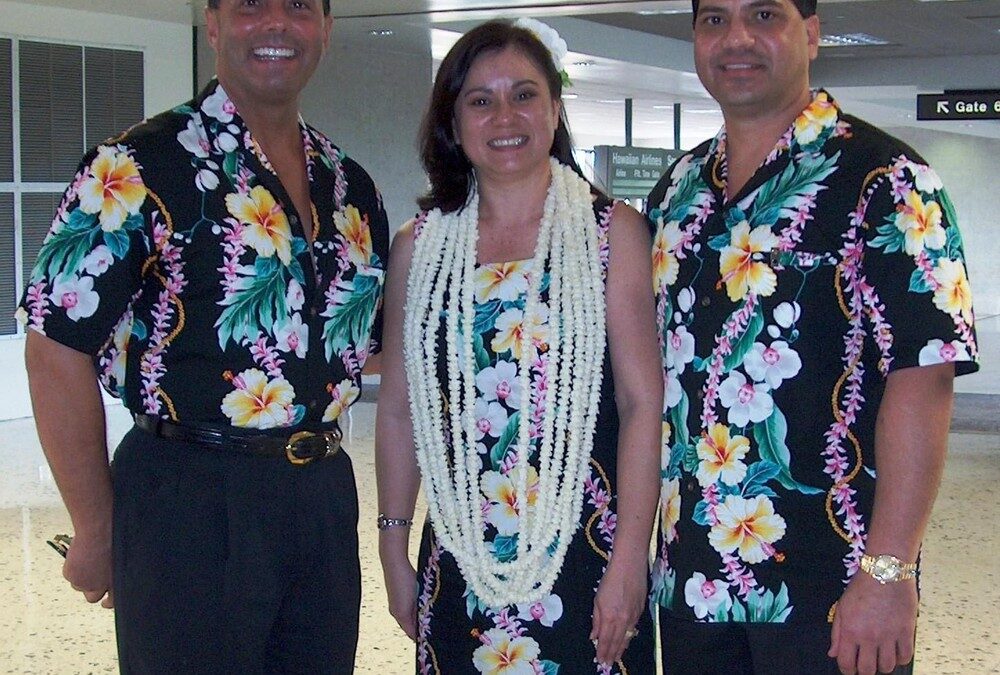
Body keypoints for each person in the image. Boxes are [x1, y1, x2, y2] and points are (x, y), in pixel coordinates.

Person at [17, 0, 388, 672]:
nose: (275, 23)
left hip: (322, 499)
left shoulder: (351, 186)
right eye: (250, 5)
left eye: (299, 6)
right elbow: (54, 347)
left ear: (326, 29)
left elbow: (362, 345)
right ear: (212, 24)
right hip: (187, 499)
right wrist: (96, 526)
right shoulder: (135, 167)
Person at [645, 0, 979, 673]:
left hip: (833, 589)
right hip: (692, 582)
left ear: (813, 33)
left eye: (764, 14)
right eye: (714, 20)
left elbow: (925, 380)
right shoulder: (678, 191)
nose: (737, 38)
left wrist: (889, 570)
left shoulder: (889, 181)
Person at [375, 19, 662, 674]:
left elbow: (641, 404)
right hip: (460, 552)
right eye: (481, 100)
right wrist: (393, 549)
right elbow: (397, 410)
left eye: (524, 94)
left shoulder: (612, 234)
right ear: (453, 122)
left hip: (587, 554)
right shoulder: (419, 248)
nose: (504, 116)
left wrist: (629, 560)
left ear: (555, 110)